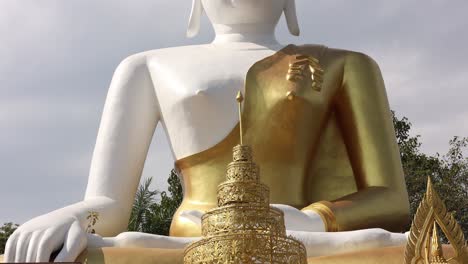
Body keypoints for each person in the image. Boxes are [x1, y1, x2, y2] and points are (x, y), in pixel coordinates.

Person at [5, 0, 410, 262]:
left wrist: (313, 222)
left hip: (304, 241)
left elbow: (391, 199)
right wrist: (71, 216)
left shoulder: (345, 65)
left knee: (408, 247)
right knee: (91, 251)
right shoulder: (147, 66)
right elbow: (108, 205)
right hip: (189, 244)